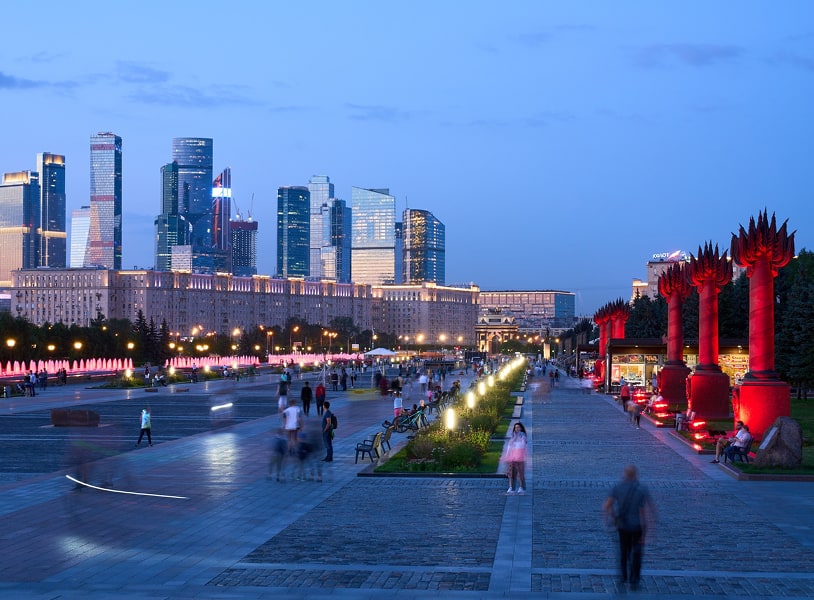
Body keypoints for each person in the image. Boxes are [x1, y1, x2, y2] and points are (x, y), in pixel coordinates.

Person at [603, 465, 655, 590]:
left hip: (623, 526)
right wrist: (647, 531)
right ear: (636, 474)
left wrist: (613, 517)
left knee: (623, 552)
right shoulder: (642, 489)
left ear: (625, 474)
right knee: (636, 553)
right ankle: (634, 579)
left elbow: (607, 505)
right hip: (637, 526)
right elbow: (645, 512)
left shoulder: (617, 487)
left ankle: (623, 577)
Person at [502, 422, 528, 495]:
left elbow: (523, 446)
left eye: (518, 427)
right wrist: (507, 456)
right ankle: (511, 488)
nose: (517, 429)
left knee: (520, 473)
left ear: (521, 428)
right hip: (512, 457)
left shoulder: (523, 436)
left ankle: (521, 488)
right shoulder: (512, 436)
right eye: (515, 427)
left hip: (520, 457)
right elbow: (509, 447)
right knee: (511, 473)